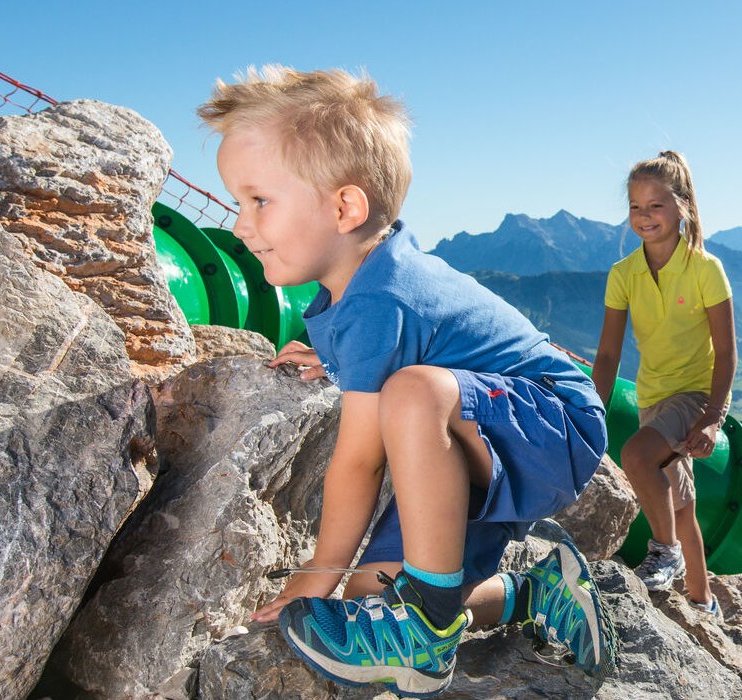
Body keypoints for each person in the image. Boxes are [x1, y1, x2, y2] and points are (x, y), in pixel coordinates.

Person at [199, 65, 612, 697]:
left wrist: (318, 574)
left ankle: (424, 633)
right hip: (482, 440)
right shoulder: (364, 284)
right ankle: (534, 592)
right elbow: (399, 335)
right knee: (376, 594)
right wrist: (332, 355)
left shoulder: (379, 301)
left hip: (554, 425)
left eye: (258, 200)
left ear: (345, 207)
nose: (238, 224)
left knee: (413, 392)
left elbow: (360, 462)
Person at [591, 150, 735, 615]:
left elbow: (728, 352)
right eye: (635, 206)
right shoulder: (624, 274)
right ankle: (702, 599)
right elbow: (609, 354)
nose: (644, 216)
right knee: (681, 506)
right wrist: (592, 411)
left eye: (656, 205)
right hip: (653, 397)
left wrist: (713, 419)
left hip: (695, 395)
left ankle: (664, 553)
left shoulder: (705, 269)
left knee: (635, 455)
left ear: (682, 207)